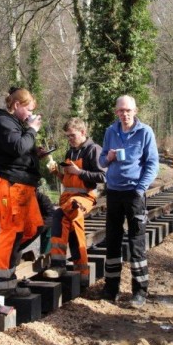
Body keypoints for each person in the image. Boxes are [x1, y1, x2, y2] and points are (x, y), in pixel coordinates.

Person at [98, 95, 159, 308]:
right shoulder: (110, 132)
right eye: (121, 110)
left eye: (128, 110)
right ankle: (111, 288)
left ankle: (140, 291)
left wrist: (140, 188)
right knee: (112, 240)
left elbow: (152, 164)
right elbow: (102, 160)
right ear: (116, 112)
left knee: (136, 242)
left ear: (135, 111)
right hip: (114, 192)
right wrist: (109, 158)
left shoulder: (145, 132)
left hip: (134, 193)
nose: (125, 114)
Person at [0, 87, 45, 296]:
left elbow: (18, 151)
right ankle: (4, 281)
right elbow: (17, 147)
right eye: (28, 109)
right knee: (11, 231)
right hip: (7, 183)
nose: (30, 114)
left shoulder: (15, 124)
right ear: (17, 105)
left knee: (33, 227)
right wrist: (32, 130)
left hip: (21, 184)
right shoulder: (2, 122)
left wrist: (35, 154)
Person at [43, 118, 106, 286]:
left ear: (83, 132)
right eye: (67, 136)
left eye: (72, 135)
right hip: (69, 199)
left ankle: (62, 266)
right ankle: (76, 270)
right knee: (66, 222)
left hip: (85, 197)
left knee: (63, 213)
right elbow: (68, 182)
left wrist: (79, 172)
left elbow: (103, 176)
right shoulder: (70, 152)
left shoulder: (94, 150)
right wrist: (57, 173)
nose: (69, 139)